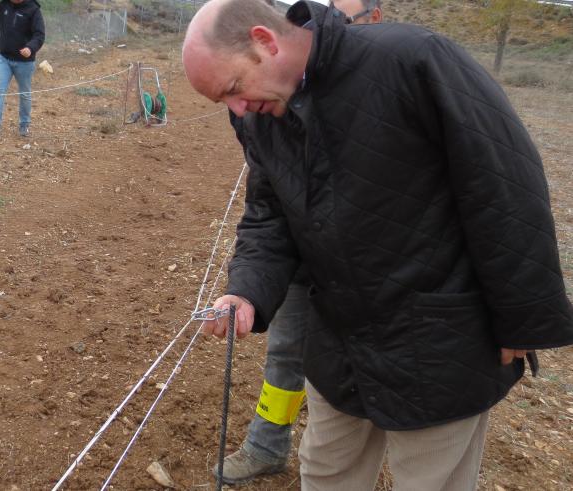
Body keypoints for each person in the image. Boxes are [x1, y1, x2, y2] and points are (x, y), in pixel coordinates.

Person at [182, 0, 573, 489]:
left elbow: (504, 185)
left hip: (441, 337)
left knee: (429, 481)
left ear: (264, 40)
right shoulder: (258, 117)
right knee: (325, 471)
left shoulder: (411, 60)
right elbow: (269, 215)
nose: (237, 109)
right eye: (225, 102)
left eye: (234, 88)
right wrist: (247, 290)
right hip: (340, 341)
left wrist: (524, 315)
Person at [224, 0, 386, 484]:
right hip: (298, 244)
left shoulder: (389, 79)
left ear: (374, 18)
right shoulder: (269, 85)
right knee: (287, 349)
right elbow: (266, 175)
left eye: (348, 15)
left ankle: (380, 453)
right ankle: (267, 442)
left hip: (369, 263)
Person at [0, 0, 45, 138]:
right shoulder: (4, 5)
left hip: (25, 62)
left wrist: (30, 47)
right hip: (4, 58)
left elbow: (39, 34)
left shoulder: (33, 10)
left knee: (24, 94)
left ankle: (24, 125)